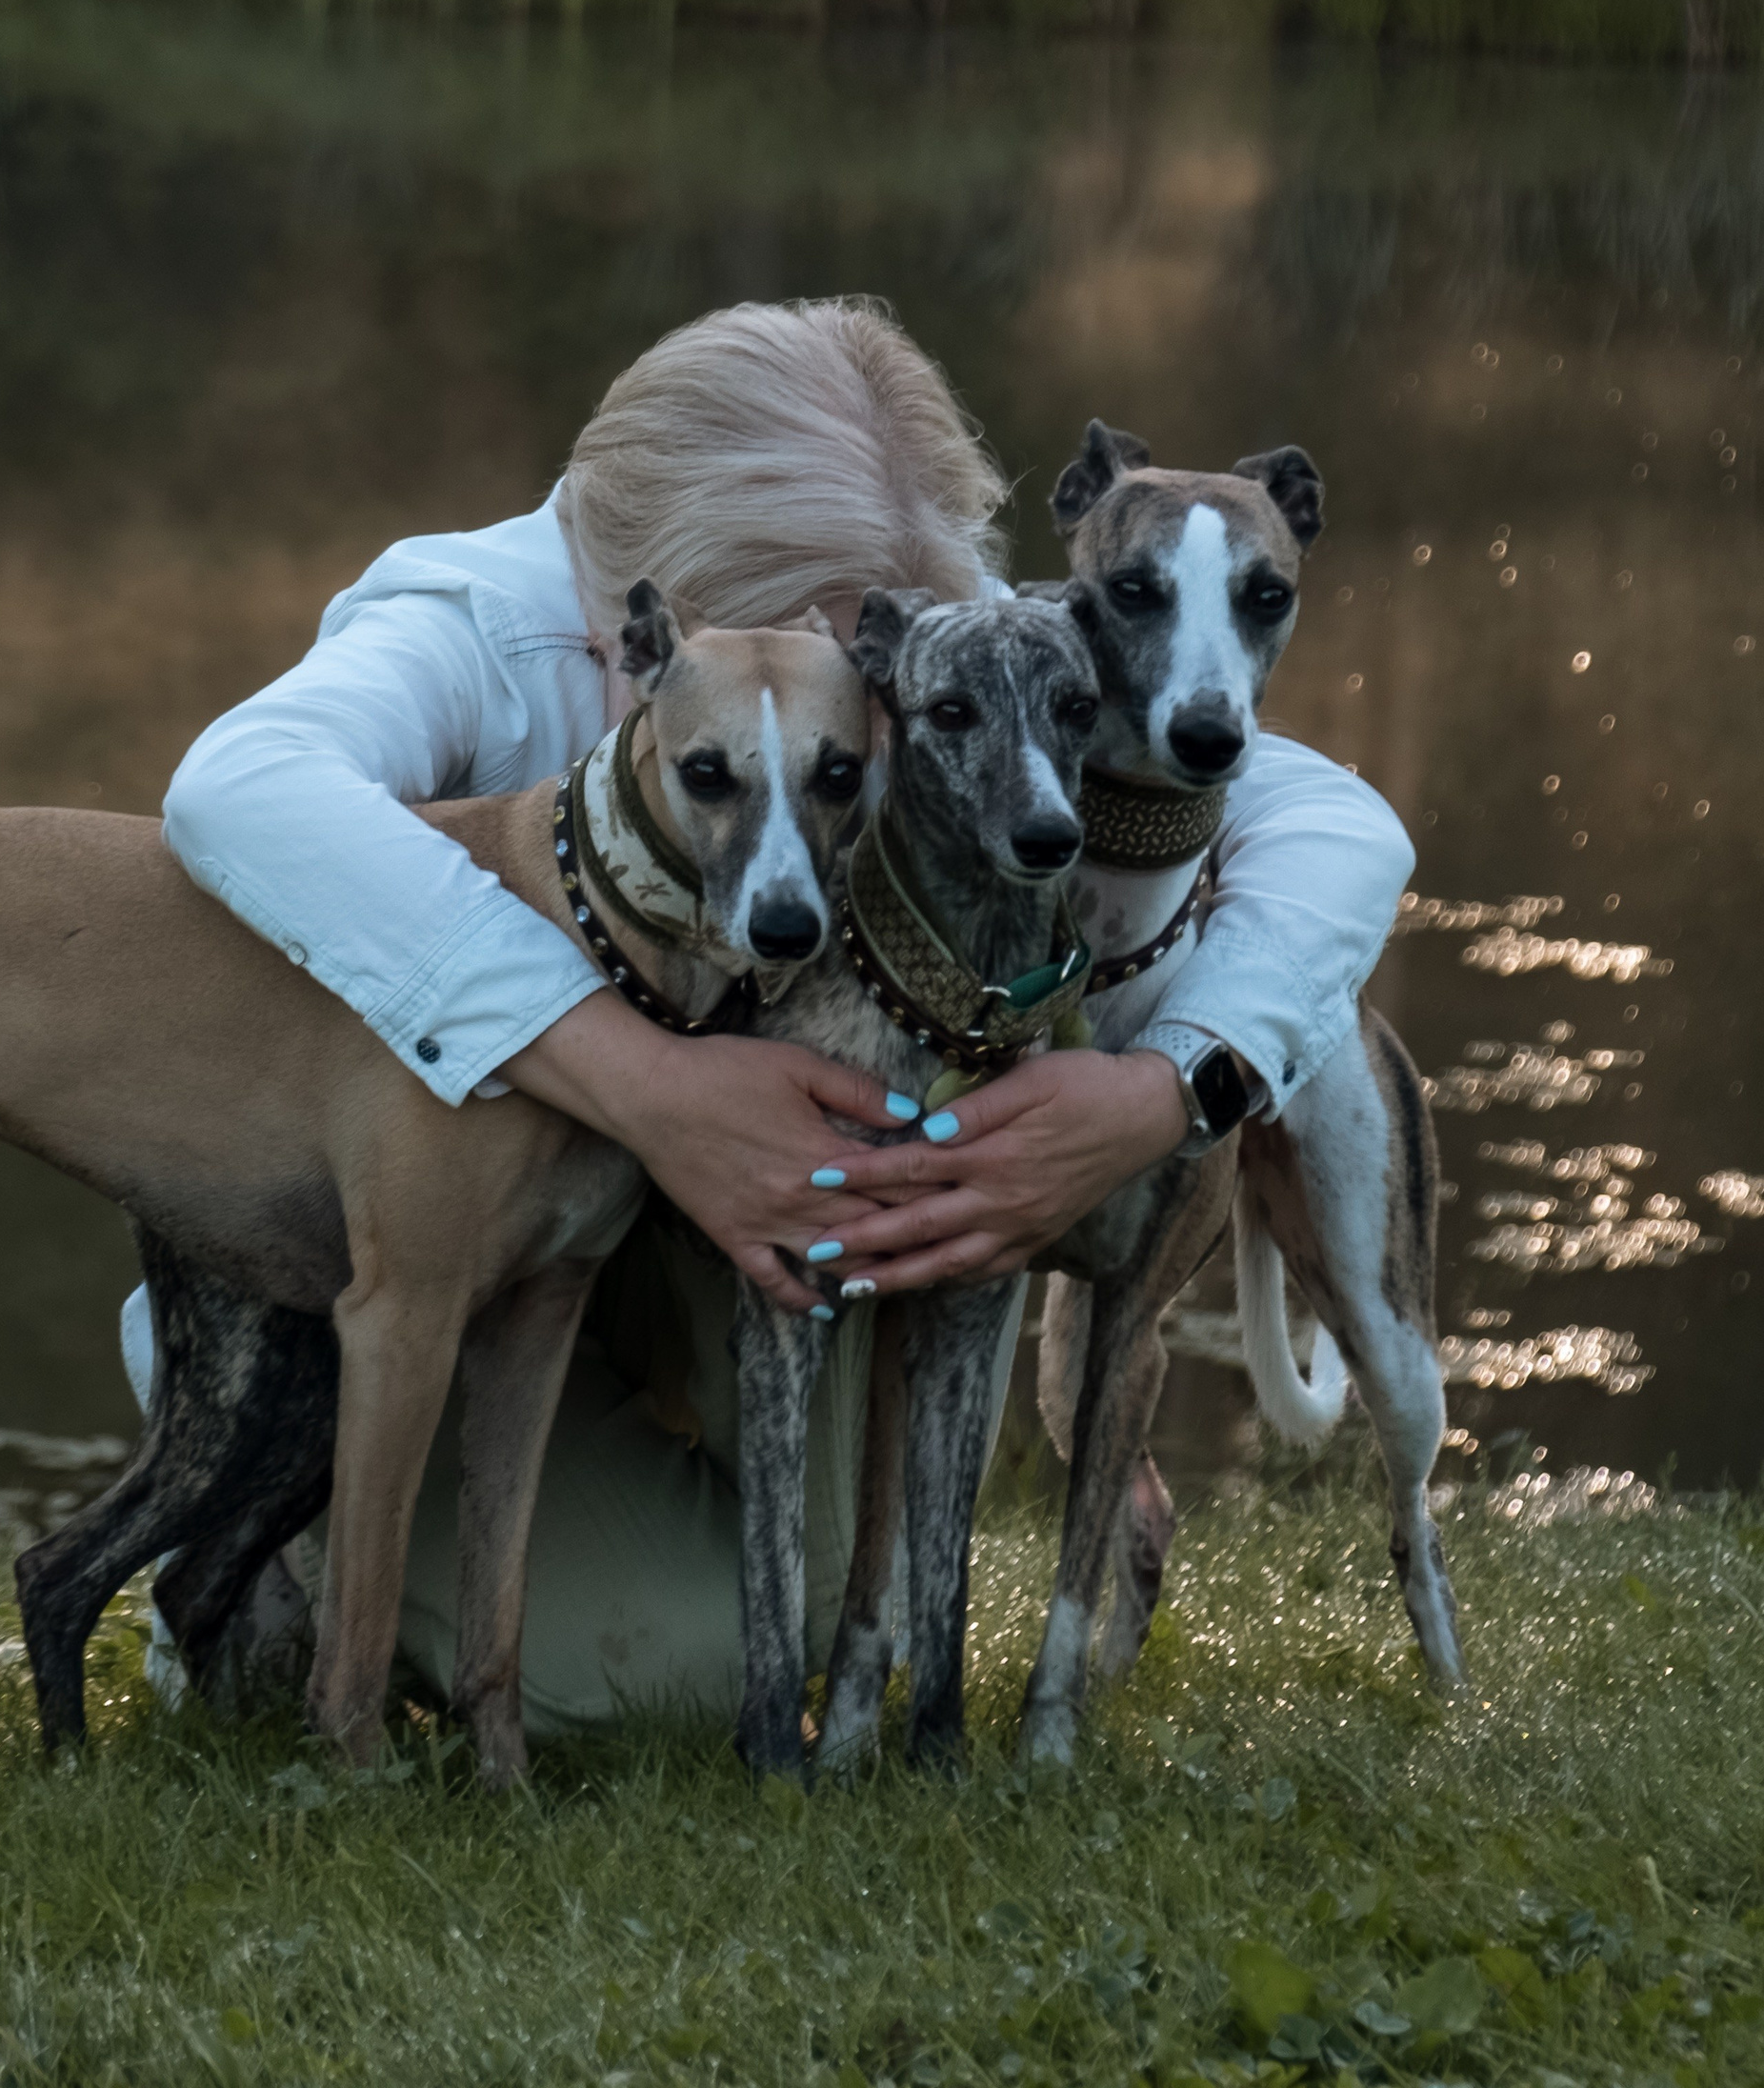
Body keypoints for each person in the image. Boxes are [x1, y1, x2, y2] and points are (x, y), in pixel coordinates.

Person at [128, 297, 1411, 1734]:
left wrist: (1168, 1089)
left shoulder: (897, 605)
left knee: (814, 1617)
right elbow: (234, 792)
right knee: (661, 1680)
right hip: (410, 1253)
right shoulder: (479, 625)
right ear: (645, 624)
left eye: (857, 713)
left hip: (695, 1230)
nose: (846, 716)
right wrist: (638, 1084)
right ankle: (249, 1503)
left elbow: (1335, 828)